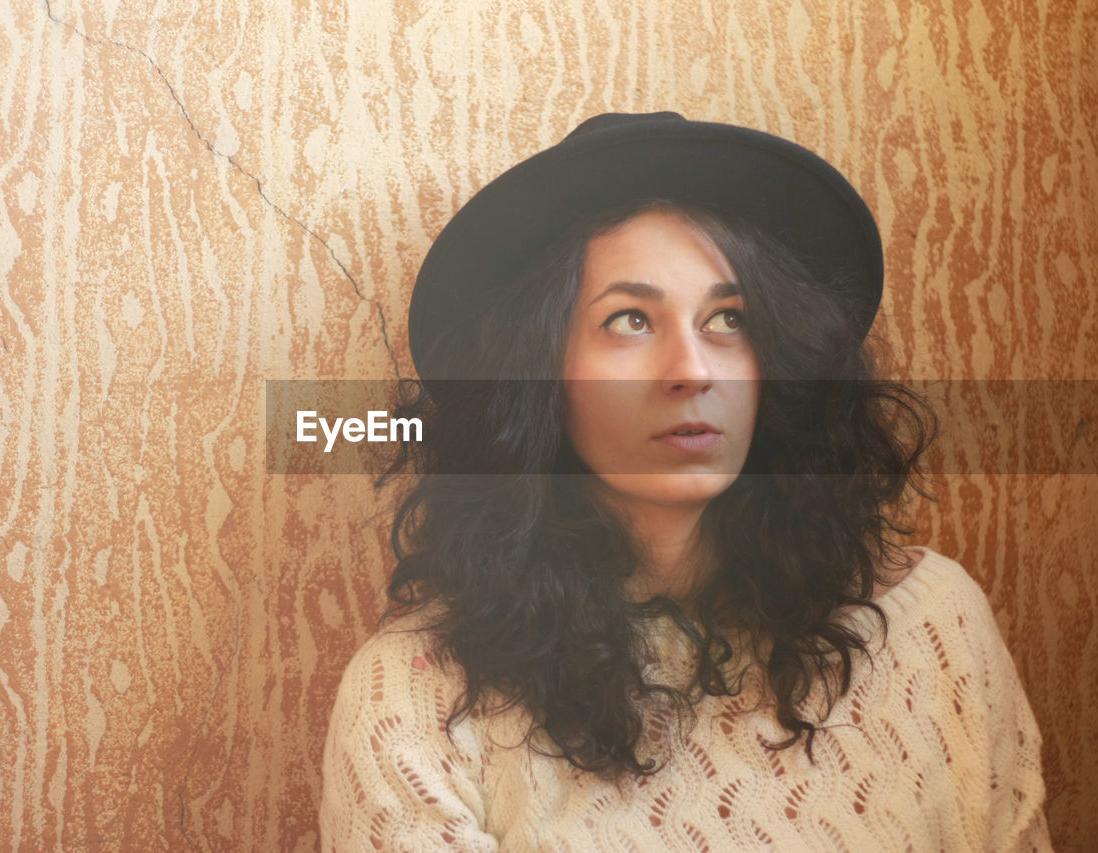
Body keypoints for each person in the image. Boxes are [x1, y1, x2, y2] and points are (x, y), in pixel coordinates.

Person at [319, 112, 1051, 851]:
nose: (693, 370)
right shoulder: (416, 698)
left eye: (728, 318)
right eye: (631, 319)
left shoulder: (931, 630)